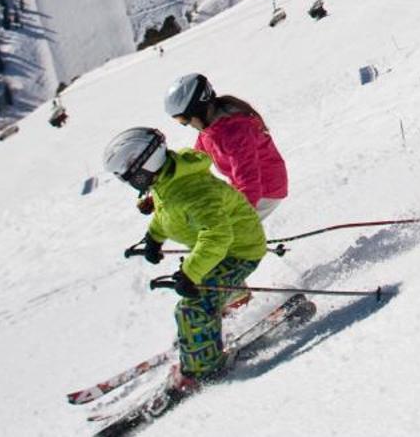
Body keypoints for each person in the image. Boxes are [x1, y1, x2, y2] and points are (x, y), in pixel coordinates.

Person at [103, 125, 268, 397]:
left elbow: (216, 236)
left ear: (145, 162)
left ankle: (205, 367)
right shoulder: (167, 181)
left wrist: (190, 274)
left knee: (190, 307)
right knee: (201, 285)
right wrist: (154, 238)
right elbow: (167, 213)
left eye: (127, 173)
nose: (127, 180)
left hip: (239, 251)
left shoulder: (192, 189)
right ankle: (233, 300)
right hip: (223, 248)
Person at [165, 73, 289, 219]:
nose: (186, 124)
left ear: (199, 109)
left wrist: (236, 218)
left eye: (184, 119)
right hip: (245, 187)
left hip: (266, 190)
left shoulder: (235, 133)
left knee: (222, 232)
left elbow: (249, 182)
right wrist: (165, 190)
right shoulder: (209, 130)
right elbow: (193, 162)